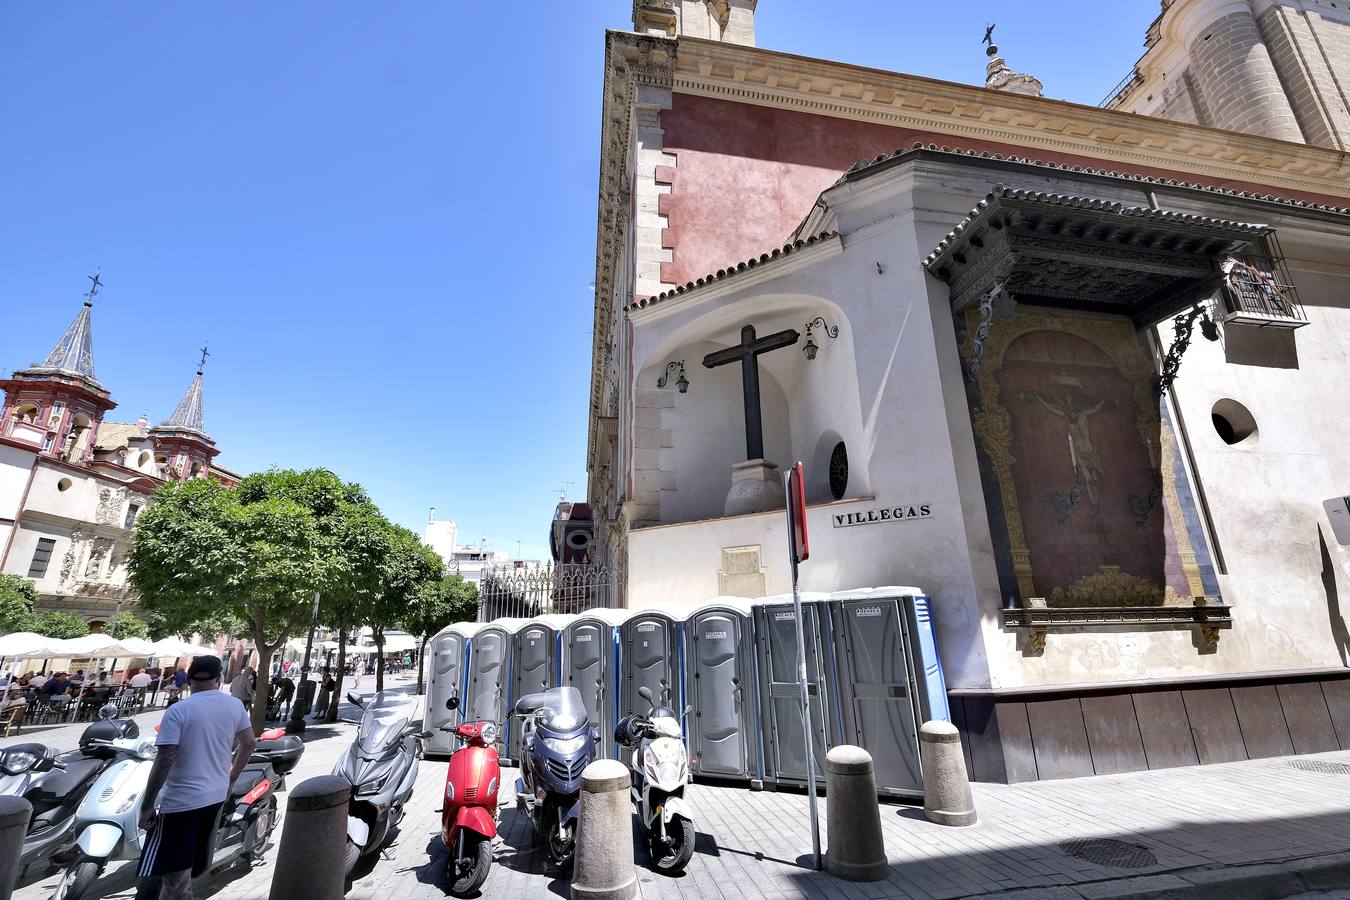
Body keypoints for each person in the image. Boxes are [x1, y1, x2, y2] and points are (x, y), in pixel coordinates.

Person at [135, 655, 255, 900]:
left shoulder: (178, 710)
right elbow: (249, 744)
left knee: (174, 878)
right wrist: (231, 779)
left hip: (181, 803)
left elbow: (165, 758)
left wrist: (147, 805)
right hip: (215, 797)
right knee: (185, 872)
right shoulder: (234, 706)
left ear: (189, 681)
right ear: (219, 680)